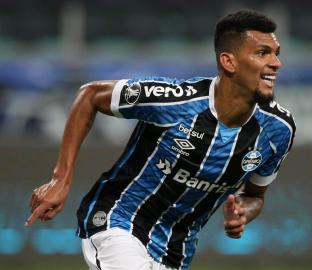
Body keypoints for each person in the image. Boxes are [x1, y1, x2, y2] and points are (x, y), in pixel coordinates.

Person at [26, 10, 295, 270]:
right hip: (118, 221)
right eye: (263, 53)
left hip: (175, 252)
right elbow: (90, 95)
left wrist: (244, 213)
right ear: (229, 62)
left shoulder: (278, 129)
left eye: (276, 54)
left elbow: (254, 195)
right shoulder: (175, 101)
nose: (276, 63)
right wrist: (61, 178)